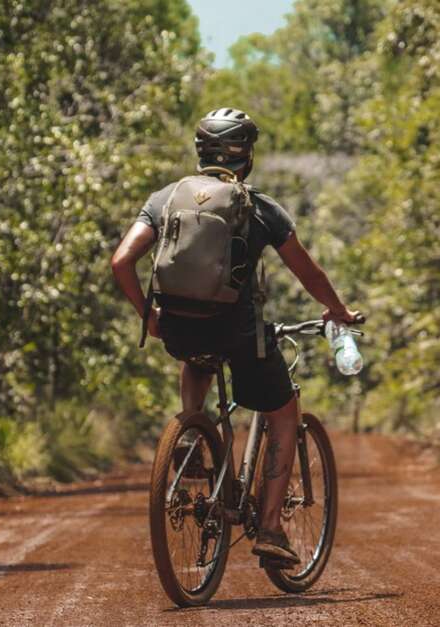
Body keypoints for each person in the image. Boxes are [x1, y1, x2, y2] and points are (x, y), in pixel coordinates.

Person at [110, 108, 360, 567]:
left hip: (178, 329)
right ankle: (269, 528)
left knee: (195, 356)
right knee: (284, 413)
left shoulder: (165, 199)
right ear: (247, 156)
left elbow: (121, 262)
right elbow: (308, 272)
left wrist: (149, 315)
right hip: (239, 334)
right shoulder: (259, 207)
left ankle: (192, 429)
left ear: (200, 151)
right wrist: (338, 311)